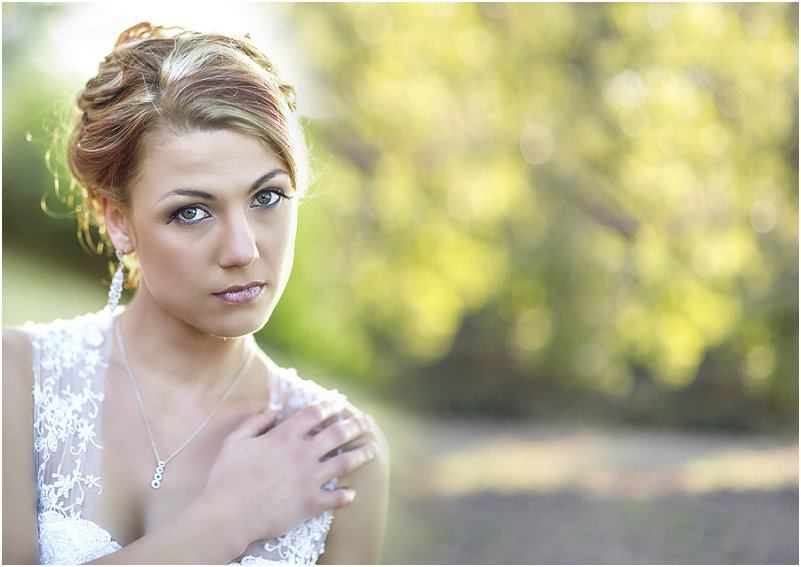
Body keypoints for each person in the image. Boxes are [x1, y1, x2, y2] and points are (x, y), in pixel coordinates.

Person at [2, 22, 389, 565]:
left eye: (267, 197)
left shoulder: (340, 454)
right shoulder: (16, 377)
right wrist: (230, 519)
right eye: (191, 212)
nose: (242, 250)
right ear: (118, 222)